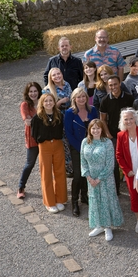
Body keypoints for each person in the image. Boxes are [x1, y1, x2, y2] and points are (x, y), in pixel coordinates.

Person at [81, 119, 123, 241]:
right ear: (89, 130)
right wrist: (88, 177)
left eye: (98, 128)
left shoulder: (107, 143)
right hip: (91, 178)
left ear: (102, 129)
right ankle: (98, 225)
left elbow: (110, 164)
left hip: (105, 178)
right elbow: (83, 161)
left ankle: (108, 227)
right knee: (95, 201)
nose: (95, 130)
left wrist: (98, 179)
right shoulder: (85, 142)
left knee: (106, 200)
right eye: (93, 128)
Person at [64, 88, 99, 217]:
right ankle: (75, 201)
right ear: (74, 99)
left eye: (83, 96)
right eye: (78, 97)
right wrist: (81, 149)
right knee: (78, 175)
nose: (81, 99)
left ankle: (84, 196)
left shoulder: (92, 110)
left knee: (88, 173)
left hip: (91, 146)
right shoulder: (69, 113)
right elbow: (69, 133)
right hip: (77, 147)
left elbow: (97, 128)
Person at [31, 93, 67, 213]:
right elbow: (34, 134)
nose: (48, 103)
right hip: (44, 146)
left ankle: (60, 199)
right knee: (46, 174)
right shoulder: (37, 118)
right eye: (46, 101)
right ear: (42, 103)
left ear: (54, 102)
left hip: (57, 144)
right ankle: (49, 202)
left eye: (50, 100)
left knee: (60, 172)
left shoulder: (59, 115)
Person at [98, 75, 135, 192]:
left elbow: (133, 116)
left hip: (127, 134)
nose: (113, 87)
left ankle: (133, 186)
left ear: (120, 83)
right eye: (110, 85)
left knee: (130, 160)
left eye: (115, 84)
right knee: (114, 163)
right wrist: (108, 134)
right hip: (113, 136)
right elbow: (102, 119)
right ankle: (116, 189)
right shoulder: (105, 100)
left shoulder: (129, 98)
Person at [18, 82, 43, 200]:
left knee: (47, 164)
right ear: (27, 93)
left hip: (44, 138)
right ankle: (21, 187)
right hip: (32, 139)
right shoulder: (25, 105)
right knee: (30, 164)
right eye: (31, 91)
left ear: (39, 91)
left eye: (35, 91)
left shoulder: (43, 102)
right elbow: (27, 121)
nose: (33, 94)